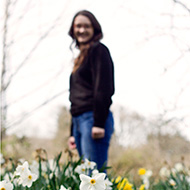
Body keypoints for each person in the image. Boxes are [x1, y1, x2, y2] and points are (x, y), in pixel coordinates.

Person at [67, 10, 115, 170]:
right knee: (87, 176)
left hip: (92, 119)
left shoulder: (99, 51)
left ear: (94, 29)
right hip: (79, 121)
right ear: (73, 29)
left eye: (86, 26)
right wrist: (72, 131)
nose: (82, 30)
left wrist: (99, 123)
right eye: (78, 26)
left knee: (95, 176)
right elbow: (75, 97)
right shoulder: (80, 57)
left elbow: (104, 88)